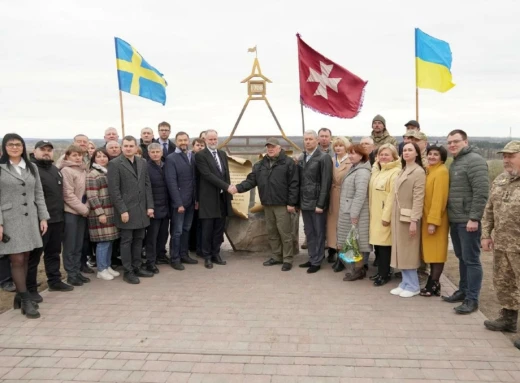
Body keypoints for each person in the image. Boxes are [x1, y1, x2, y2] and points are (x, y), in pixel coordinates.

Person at [0, 133, 49, 319]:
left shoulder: (31, 167)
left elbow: (38, 194)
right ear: (5, 147)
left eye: (18, 144)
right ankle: (26, 299)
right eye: (10, 144)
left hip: (31, 219)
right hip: (9, 219)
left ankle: (20, 297)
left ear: (23, 147)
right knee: (17, 259)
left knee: (27, 256)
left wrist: (43, 217)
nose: (14, 147)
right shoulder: (1, 168)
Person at [442, 129, 489, 314]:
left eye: (456, 141)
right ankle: (463, 291)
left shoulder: (475, 161)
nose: (452, 145)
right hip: (456, 219)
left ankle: (472, 299)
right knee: (462, 258)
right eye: (450, 142)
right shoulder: (456, 162)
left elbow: (481, 192)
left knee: (471, 260)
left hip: (468, 221)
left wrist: (474, 218)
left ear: (466, 142)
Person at [234, 137, 299, 271]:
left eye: (273, 147)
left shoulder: (288, 163)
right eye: (268, 147)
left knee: (285, 232)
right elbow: (251, 181)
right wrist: (237, 188)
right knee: (272, 232)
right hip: (267, 204)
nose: (270, 149)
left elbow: (294, 184)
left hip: (282, 204)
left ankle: (287, 259)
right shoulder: (260, 165)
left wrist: (292, 203)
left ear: (279, 148)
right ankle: (276, 256)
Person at [481, 141, 520, 348]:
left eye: (511, 156)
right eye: (504, 156)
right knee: (504, 283)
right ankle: (508, 319)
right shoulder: (501, 180)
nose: (506, 160)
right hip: (503, 244)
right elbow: (489, 209)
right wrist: (486, 234)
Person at [28, 140, 73, 302]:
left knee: (54, 253)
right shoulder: (31, 170)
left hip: (57, 219)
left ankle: (54, 281)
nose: (46, 152)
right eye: (43, 150)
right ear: (35, 151)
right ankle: (30, 289)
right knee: (34, 256)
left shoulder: (55, 170)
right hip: (39, 221)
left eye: (49, 150)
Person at [107, 136, 155, 284]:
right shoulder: (115, 164)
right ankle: (128, 271)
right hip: (126, 210)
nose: (128, 148)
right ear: (122, 147)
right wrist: (122, 210)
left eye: (131, 146)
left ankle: (137, 266)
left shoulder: (142, 162)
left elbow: (147, 185)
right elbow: (114, 190)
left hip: (141, 210)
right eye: (126, 146)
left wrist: (150, 206)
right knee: (126, 241)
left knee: (139, 239)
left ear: (136, 148)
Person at [389, 142, 426, 298]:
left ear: (416, 153)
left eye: (410, 150)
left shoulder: (418, 172)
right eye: (404, 150)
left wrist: (414, 220)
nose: (406, 152)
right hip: (398, 216)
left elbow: (419, 198)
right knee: (400, 250)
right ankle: (405, 282)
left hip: (409, 217)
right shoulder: (404, 169)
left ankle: (413, 285)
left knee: (408, 251)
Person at [194, 129, 233, 269]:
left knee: (219, 228)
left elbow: (226, 174)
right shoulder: (200, 156)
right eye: (210, 139)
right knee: (207, 229)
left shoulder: (222, 154)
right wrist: (227, 186)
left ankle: (216, 253)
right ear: (205, 140)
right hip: (208, 198)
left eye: (214, 139)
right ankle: (207, 256)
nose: (213, 141)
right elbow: (207, 175)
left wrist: (229, 191)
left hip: (222, 197)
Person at [298, 130, 332, 274]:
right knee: (309, 231)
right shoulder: (302, 157)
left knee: (319, 232)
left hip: (317, 201)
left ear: (317, 140)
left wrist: (321, 203)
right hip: (305, 200)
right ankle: (312, 257)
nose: (308, 142)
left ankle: (317, 260)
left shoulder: (323, 157)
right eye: (306, 139)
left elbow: (326, 182)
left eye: (311, 139)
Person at [336, 144, 372, 281]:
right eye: (349, 153)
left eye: (354, 153)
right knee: (352, 242)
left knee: (356, 243)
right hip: (349, 210)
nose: (351, 156)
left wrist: (354, 214)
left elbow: (360, 194)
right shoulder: (355, 168)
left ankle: (358, 270)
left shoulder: (362, 172)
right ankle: (356, 269)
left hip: (355, 213)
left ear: (362, 155)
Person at [368, 144, 401, 286]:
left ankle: (385, 273)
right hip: (374, 213)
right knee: (378, 246)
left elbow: (392, 197)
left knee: (385, 246)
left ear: (394, 156)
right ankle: (381, 271)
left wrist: (386, 217)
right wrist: (376, 163)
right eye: (381, 154)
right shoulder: (379, 170)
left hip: (383, 215)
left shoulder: (395, 172)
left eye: (387, 154)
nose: (383, 157)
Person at [165, 132, 198, 270]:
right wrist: (178, 203)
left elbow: (195, 180)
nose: (183, 142)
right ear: (176, 141)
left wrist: (196, 199)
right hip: (179, 203)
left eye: (185, 140)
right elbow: (171, 182)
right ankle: (175, 258)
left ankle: (184, 254)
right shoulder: (171, 158)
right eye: (180, 140)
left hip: (191, 201)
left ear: (188, 141)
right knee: (177, 231)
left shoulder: (192, 156)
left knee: (186, 229)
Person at [86, 148, 120, 281]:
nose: (102, 158)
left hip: (111, 211)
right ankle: (101, 269)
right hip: (100, 212)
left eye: (104, 156)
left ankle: (107, 266)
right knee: (103, 242)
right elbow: (92, 196)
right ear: (94, 158)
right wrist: (100, 212)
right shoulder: (93, 174)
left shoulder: (107, 172)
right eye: (98, 156)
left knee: (110, 240)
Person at [420, 145, 450, 297]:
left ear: (442, 157)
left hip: (436, 219)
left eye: (435, 155)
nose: (432, 157)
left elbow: (439, 199)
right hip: (426, 218)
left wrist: (433, 222)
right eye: (430, 154)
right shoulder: (430, 170)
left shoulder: (441, 172)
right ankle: (434, 283)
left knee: (437, 253)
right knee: (432, 252)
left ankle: (433, 283)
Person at [59, 145, 90, 286]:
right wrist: (83, 209)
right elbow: (68, 194)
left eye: (80, 155)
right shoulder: (66, 170)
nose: (78, 157)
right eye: (74, 155)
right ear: (67, 156)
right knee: (70, 245)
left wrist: (87, 207)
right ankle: (71, 274)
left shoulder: (83, 169)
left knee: (79, 244)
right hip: (72, 212)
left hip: (83, 211)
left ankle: (77, 272)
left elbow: (87, 191)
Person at [327, 137, 352, 268]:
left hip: (345, 196)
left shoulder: (350, 161)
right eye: (336, 146)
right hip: (332, 196)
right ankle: (334, 252)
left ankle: (344, 258)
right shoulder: (331, 161)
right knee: (333, 228)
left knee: (344, 228)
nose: (338, 148)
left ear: (346, 147)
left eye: (341, 146)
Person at [145, 143, 170, 273]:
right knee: (152, 237)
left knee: (163, 234)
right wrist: (149, 207)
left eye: (157, 151)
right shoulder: (146, 167)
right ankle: (150, 261)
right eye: (152, 152)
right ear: (149, 153)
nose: (155, 154)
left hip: (165, 207)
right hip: (153, 207)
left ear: (161, 152)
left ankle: (161, 255)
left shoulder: (166, 165)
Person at [188, 138, 206, 255]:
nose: (199, 147)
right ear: (193, 146)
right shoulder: (191, 158)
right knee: (192, 224)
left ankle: (200, 247)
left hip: (204, 194)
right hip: (193, 195)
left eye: (202, 145)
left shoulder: (206, 158)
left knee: (201, 224)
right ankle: (192, 246)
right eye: (197, 145)